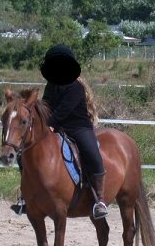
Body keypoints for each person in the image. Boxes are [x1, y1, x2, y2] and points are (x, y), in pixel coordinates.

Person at [10, 44, 109, 219]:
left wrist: (51, 124)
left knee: (91, 153)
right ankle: (27, 197)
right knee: (23, 154)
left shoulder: (75, 86)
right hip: (56, 128)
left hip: (78, 128)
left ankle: (99, 199)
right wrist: (42, 124)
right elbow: (46, 107)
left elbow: (64, 110)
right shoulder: (51, 85)